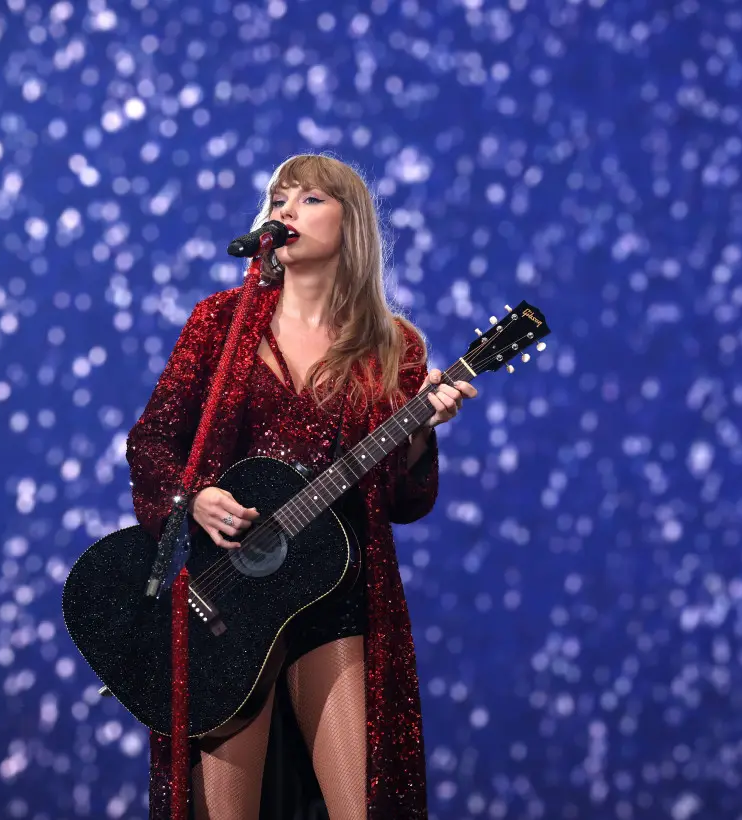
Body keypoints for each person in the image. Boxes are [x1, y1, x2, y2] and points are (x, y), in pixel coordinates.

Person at [124, 153, 478, 820]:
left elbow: (405, 502)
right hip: (230, 598)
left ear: (352, 226)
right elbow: (153, 443)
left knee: (360, 806)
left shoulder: (393, 347)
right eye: (279, 199)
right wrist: (195, 496)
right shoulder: (219, 323)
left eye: (310, 199)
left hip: (335, 593)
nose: (286, 210)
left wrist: (421, 432)